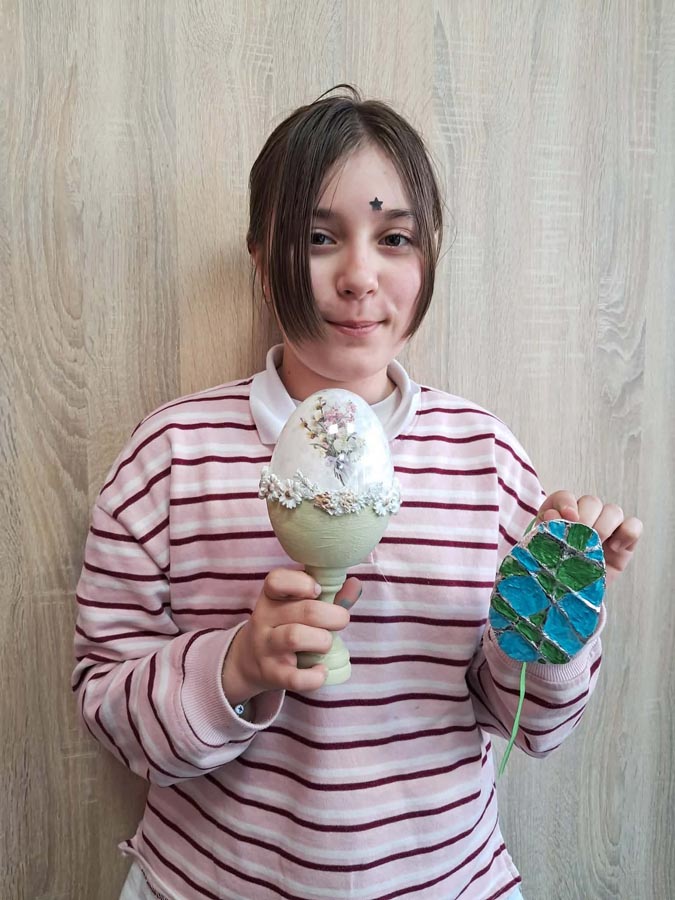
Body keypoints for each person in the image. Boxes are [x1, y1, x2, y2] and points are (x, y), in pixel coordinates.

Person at [73, 86, 642, 900]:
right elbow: (107, 707)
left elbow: (531, 726)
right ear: (261, 261)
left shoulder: (484, 460)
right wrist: (235, 668)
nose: (358, 277)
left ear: (428, 257)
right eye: (317, 237)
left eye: (394, 237)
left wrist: (552, 616)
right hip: (205, 881)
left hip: (446, 880)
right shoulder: (170, 457)